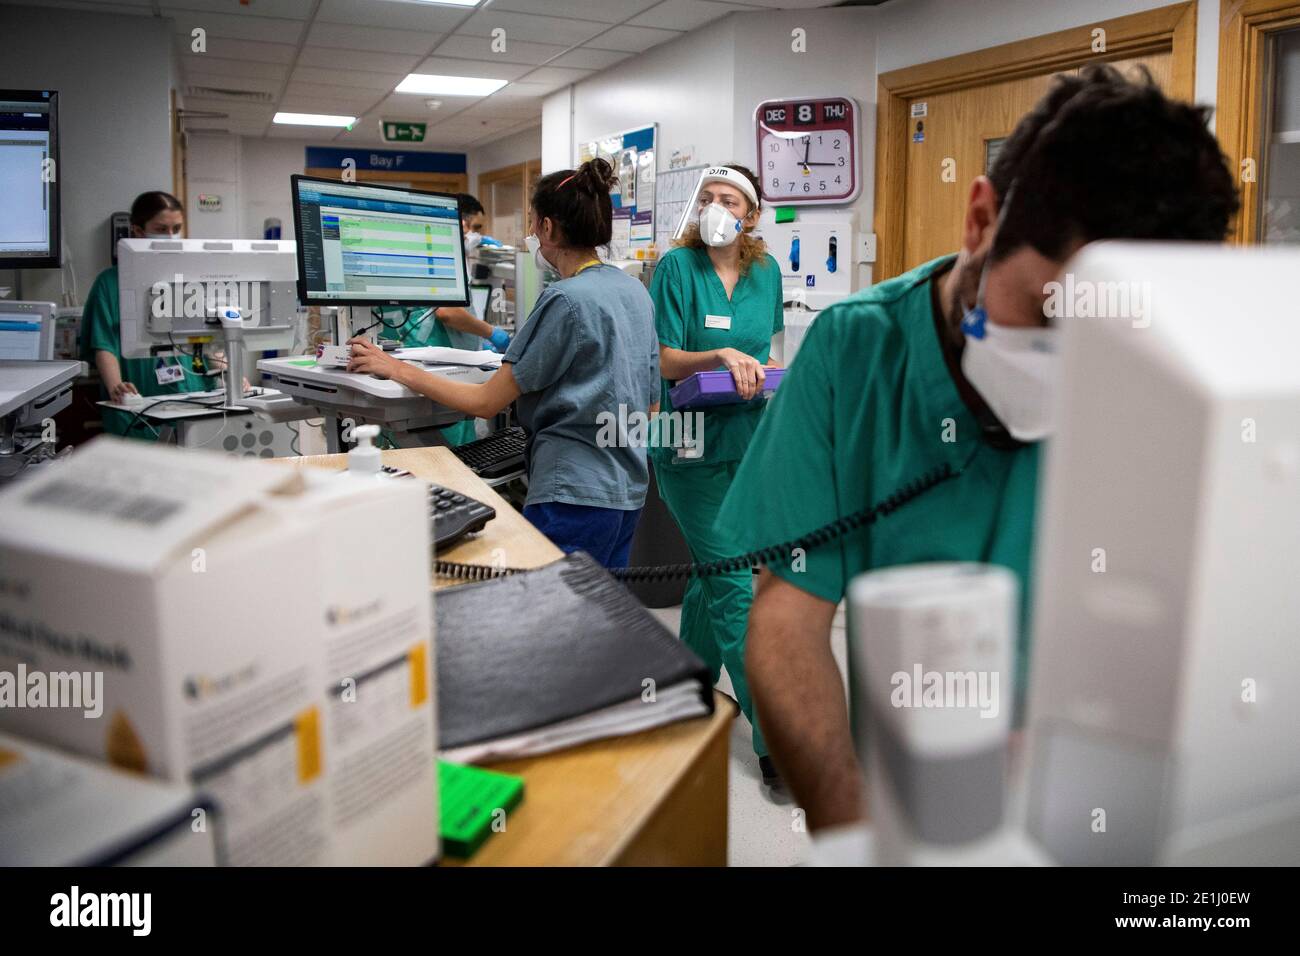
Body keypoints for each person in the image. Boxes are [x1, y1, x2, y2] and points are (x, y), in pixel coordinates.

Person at [716, 65, 1239, 830]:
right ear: (981, 220)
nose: (1081, 363)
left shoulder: (1176, 386)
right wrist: (852, 831)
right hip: (902, 804)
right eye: (1052, 312)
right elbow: (788, 621)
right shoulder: (857, 352)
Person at [346, 159, 659, 569]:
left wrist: (396, 369)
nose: (531, 234)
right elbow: (651, 406)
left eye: (533, 223)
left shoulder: (565, 299)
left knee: (551, 620)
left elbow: (485, 403)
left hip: (572, 495)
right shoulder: (634, 291)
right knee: (598, 616)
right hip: (627, 491)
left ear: (548, 228)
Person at [649, 163, 784, 783]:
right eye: (706, 198)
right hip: (688, 448)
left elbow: (769, 347)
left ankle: (681, 696)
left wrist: (770, 369)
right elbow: (664, 358)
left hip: (749, 442)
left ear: (751, 215)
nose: (715, 208)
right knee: (736, 585)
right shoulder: (678, 268)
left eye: (728, 200)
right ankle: (778, 742)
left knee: (712, 576)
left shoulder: (767, 273)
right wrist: (720, 355)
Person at [374, 193, 510, 446]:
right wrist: (492, 333)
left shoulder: (408, 258)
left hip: (410, 362)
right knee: (446, 444)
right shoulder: (440, 258)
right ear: (461, 223)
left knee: (405, 443)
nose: (477, 236)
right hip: (433, 366)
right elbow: (448, 312)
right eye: (476, 228)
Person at [80, 191, 211, 439]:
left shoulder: (192, 278)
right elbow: (103, 345)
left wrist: (226, 375)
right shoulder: (109, 284)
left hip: (194, 393)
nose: (171, 236)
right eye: (161, 229)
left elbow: (210, 337)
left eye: (177, 228)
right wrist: (117, 387)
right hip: (139, 398)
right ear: (138, 231)